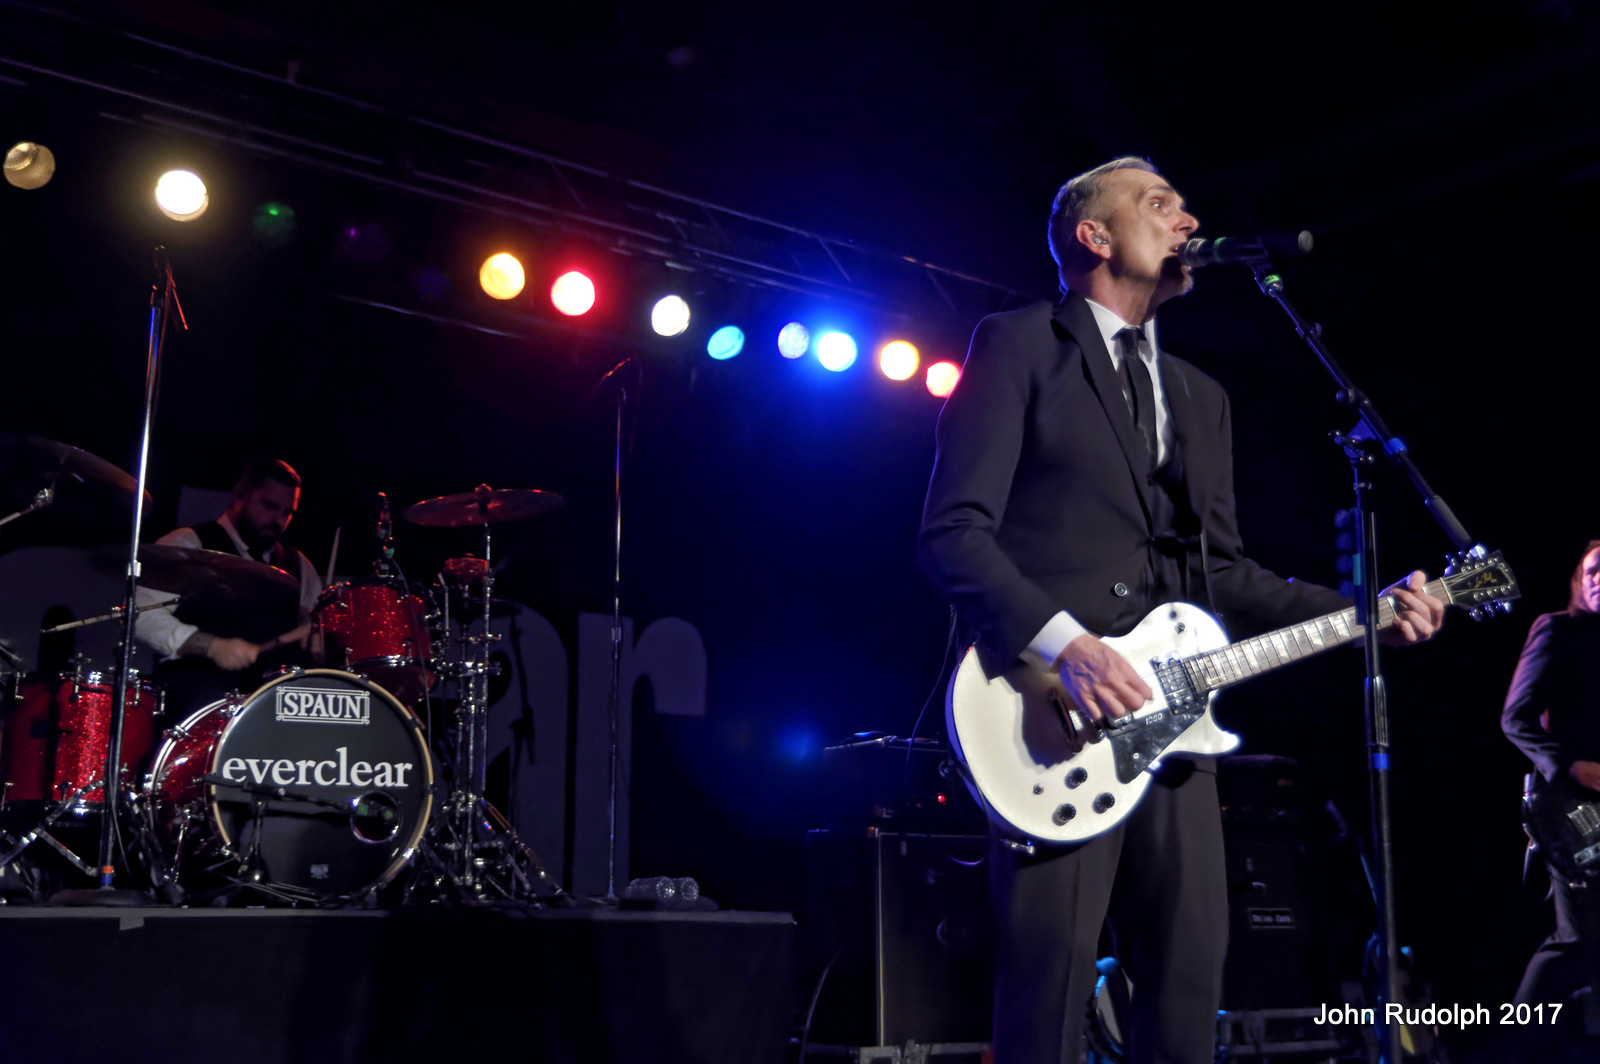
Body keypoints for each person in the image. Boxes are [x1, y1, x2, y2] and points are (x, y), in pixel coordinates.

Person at [915, 156, 1445, 1063]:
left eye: (1185, 206)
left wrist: (1367, 612)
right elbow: (951, 534)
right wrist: (1068, 646)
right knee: (1049, 986)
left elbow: (1226, 575)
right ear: (1094, 235)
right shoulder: (1019, 344)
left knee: (1190, 978)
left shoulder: (1202, 397)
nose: (1187, 220)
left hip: (1175, 725)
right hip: (1051, 714)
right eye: (1159, 204)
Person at [1501, 539, 1600, 1057]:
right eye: (1593, 570)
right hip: (1566, 802)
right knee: (1578, 937)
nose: (1599, 579)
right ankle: (1512, 1046)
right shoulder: (1557, 630)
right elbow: (1515, 718)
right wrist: (1570, 765)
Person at [135, 458, 323, 713]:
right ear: (240, 495)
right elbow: (141, 614)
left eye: (287, 513)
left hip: (277, 704)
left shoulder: (300, 566)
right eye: (269, 506)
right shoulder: (186, 544)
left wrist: (317, 642)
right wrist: (211, 647)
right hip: (200, 700)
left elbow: (313, 626)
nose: (278, 520)